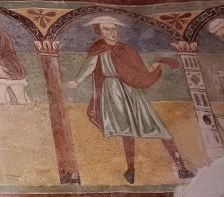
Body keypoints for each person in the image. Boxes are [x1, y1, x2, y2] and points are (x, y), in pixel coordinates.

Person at [66, 16, 194, 184]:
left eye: (113, 28)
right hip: (113, 91)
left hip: (132, 90)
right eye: (106, 29)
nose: (111, 32)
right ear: (100, 32)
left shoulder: (127, 49)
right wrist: (77, 80)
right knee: (126, 130)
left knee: (157, 125)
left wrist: (154, 67)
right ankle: (131, 170)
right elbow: (90, 66)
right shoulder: (98, 49)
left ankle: (181, 166)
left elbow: (139, 72)